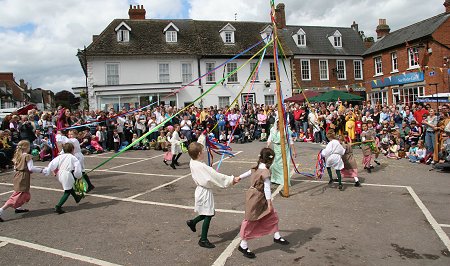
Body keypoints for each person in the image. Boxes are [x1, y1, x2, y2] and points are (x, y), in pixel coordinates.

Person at [235, 148, 289, 259]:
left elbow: (248, 172)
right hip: (257, 197)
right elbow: (267, 188)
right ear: (271, 159)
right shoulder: (265, 171)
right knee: (250, 219)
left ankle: (276, 235)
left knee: (272, 215)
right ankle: (243, 244)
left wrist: (239, 177)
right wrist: (269, 203)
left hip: (255, 195)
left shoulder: (257, 166)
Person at [185, 142, 237, 248]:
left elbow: (195, 147)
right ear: (199, 153)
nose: (204, 152)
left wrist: (203, 136)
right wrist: (231, 180)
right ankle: (203, 239)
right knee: (209, 214)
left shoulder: (193, 161)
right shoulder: (202, 166)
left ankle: (193, 222)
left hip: (201, 191)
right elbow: (216, 176)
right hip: (204, 192)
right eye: (203, 151)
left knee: (208, 212)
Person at [0, 140, 43, 222]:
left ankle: (18, 207)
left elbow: (15, 168)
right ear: (26, 147)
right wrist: (42, 170)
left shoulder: (17, 155)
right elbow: (31, 168)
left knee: (22, 192)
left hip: (18, 175)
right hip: (23, 177)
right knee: (18, 195)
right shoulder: (27, 156)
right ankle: (1, 210)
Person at [43, 143, 83, 214]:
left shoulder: (60, 157)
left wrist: (48, 171)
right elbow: (77, 169)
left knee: (69, 187)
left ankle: (77, 198)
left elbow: (52, 164)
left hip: (60, 174)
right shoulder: (73, 158)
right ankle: (58, 206)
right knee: (67, 191)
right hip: (67, 174)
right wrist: (78, 176)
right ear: (72, 150)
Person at [266, 120, 296, 186]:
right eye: (278, 123)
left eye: (280, 123)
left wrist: (293, 151)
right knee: (275, 164)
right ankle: (275, 179)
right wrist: (268, 145)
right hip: (276, 147)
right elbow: (270, 137)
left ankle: (283, 180)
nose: (279, 125)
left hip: (285, 148)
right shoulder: (273, 129)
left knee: (284, 164)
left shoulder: (285, 130)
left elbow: (290, 141)